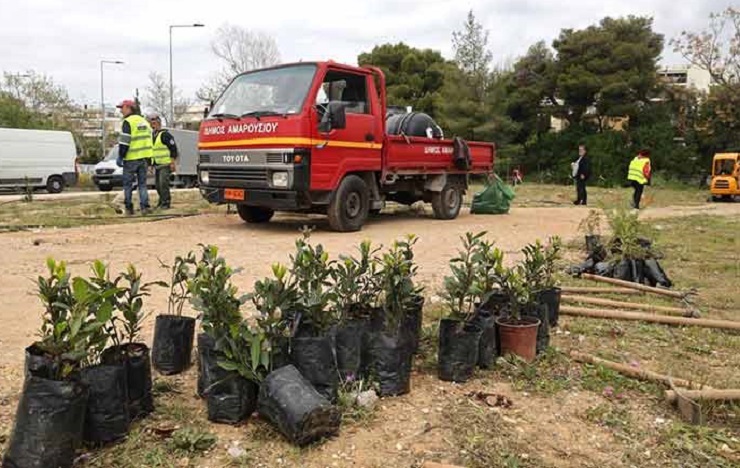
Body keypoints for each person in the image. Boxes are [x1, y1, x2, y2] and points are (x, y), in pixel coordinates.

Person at [116, 100, 153, 215]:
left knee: (127, 185)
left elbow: (125, 142)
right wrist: (149, 159)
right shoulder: (144, 122)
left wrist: (121, 156)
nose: (121, 110)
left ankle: (129, 209)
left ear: (128, 108)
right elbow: (149, 141)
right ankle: (145, 208)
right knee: (142, 185)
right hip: (144, 159)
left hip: (131, 158)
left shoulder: (128, 122)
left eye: (122, 108)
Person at [148, 114, 178, 209]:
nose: (153, 125)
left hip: (165, 164)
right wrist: (150, 165)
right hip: (157, 164)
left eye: (155, 123)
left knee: (163, 184)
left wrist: (172, 162)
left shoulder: (165, 134)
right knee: (157, 186)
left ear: (159, 123)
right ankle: (161, 202)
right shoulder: (152, 135)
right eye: (151, 123)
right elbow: (151, 151)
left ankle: (166, 203)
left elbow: (173, 149)